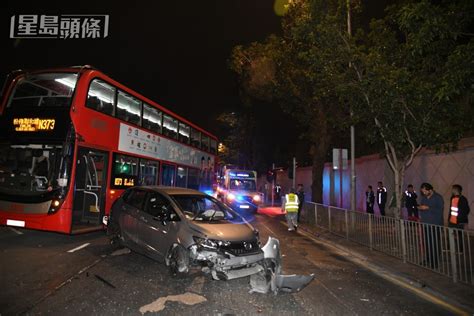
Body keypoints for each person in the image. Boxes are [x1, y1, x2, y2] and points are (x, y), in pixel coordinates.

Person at [418, 182, 444, 269]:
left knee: (434, 243)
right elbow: (422, 206)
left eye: (425, 191)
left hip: (435, 224)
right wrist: (420, 208)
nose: (424, 193)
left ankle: (435, 261)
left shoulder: (438, 198)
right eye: (423, 192)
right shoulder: (424, 198)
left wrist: (428, 208)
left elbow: (440, 210)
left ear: (430, 190)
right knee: (427, 243)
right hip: (425, 224)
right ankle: (429, 259)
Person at [448, 184, 470, 252]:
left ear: (456, 190)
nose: (451, 190)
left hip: (459, 221)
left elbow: (467, 210)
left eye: (452, 189)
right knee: (450, 235)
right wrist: (449, 218)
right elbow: (451, 209)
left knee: (460, 236)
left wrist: (461, 219)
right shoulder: (452, 198)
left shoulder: (463, 199)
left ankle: (461, 250)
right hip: (452, 221)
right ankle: (450, 248)